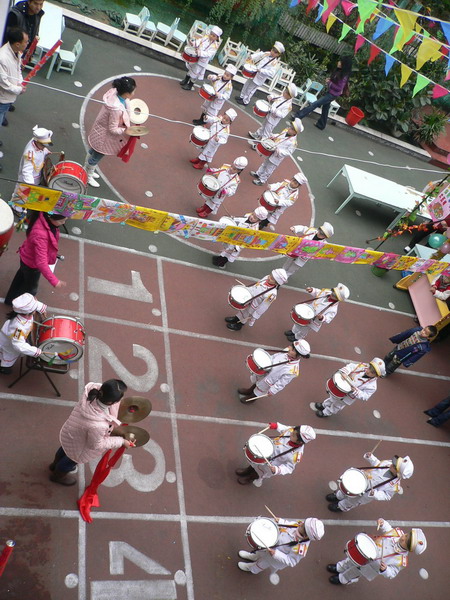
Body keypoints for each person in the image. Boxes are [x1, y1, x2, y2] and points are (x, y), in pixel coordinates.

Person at [49, 379, 133, 485]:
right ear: (110, 402)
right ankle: (57, 476)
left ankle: (54, 465)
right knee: (70, 461)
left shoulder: (90, 392)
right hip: (81, 447)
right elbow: (96, 445)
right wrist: (121, 441)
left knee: (65, 449)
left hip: (71, 433)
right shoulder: (99, 425)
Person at [327, 518, 427, 585]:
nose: (403, 538)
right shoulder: (396, 533)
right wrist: (383, 523)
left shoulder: (401, 560)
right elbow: (388, 529)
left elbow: (392, 573)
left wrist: (385, 570)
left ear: (409, 549)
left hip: (370, 567)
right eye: (406, 535)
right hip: (366, 553)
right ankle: (339, 567)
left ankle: (343, 579)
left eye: (406, 541)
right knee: (350, 560)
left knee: (354, 572)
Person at [4, 211, 67, 305]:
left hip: (27, 257)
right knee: (31, 289)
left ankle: (10, 299)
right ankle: (21, 308)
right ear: (51, 218)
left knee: (21, 277)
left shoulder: (43, 219)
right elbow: (41, 262)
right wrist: (54, 281)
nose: (63, 223)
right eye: (61, 221)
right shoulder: (41, 235)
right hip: (31, 264)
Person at [85, 76, 136, 188]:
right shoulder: (115, 109)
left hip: (100, 132)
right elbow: (113, 129)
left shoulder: (116, 96)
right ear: (126, 93)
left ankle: (87, 170)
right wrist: (126, 130)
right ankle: (87, 176)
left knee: (92, 151)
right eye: (132, 91)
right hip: (104, 138)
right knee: (95, 157)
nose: (133, 93)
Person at [327, 453, 414, 513]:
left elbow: (387, 496)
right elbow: (377, 464)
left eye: (394, 466)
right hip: (363, 479)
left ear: (398, 473)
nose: (391, 464)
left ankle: (341, 506)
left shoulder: (395, 486)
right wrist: (371, 457)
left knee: (352, 501)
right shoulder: (388, 463)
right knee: (348, 487)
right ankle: (338, 496)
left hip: (367, 493)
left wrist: (375, 494)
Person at [235, 422, 316, 486]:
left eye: (294, 435)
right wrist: (276, 426)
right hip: (266, 452)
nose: (291, 433)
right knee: (255, 463)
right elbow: (284, 428)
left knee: (259, 472)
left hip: (270, 465)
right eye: (293, 432)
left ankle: (250, 478)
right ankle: (247, 470)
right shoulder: (291, 431)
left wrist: (277, 470)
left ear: (300, 442)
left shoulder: (296, 455)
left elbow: (289, 468)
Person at [237, 516, 324, 574]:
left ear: (305, 535)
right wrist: (281, 521)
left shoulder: (300, 549)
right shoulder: (298, 525)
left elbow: (291, 561)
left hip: (274, 558)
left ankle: (251, 568)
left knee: (261, 564)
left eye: (302, 526)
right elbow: (289, 524)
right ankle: (252, 557)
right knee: (260, 552)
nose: (300, 523)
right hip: (272, 543)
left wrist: (276, 554)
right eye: (303, 523)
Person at [238, 339, 310, 403]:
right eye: (291, 346)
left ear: (298, 355)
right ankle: (249, 390)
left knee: (259, 390)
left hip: (269, 381)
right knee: (256, 382)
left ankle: (251, 398)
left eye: (293, 350)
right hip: (265, 371)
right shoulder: (286, 351)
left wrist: (273, 390)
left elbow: (282, 383)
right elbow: (274, 356)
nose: (289, 348)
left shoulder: (293, 370)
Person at [292, 56, 352, 131]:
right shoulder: (339, 72)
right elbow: (335, 82)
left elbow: (339, 88)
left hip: (332, 95)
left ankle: (297, 116)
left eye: (340, 62)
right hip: (330, 93)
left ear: (344, 64)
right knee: (325, 108)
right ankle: (321, 124)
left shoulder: (344, 76)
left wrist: (329, 83)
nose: (338, 62)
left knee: (315, 104)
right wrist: (330, 81)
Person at [315, 357, 385, 418]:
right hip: (342, 387)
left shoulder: (372, 386)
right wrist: (345, 373)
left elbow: (365, 396)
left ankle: (326, 412)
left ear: (376, 376)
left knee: (337, 405)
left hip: (347, 397)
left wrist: (356, 391)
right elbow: (350, 366)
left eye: (372, 372)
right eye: (369, 368)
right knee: (332, 398)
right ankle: (324, 405)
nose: (368, 371)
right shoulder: (362, 366)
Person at [0, 293, 48, 374]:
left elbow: (35, 304)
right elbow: (18, 344)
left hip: (13, 336)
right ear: (29, 312)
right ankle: (3, 368)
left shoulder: (25, 312)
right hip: (10, 343)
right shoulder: (18, 328)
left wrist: (42, 309)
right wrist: (35, 351)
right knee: (7, 355)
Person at [285, 283, 350, 341]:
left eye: (335, 295)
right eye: (333, 292)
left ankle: (297, 337)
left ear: (338, 299)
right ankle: (293, 331)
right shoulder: (327, 292)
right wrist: (312, 290)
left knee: (304, 330)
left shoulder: (333, 309)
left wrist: (322, 318)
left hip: (313, 320)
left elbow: (328, 319)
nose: (332, 294)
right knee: (298, 322)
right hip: (308, 312)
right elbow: (318, 293)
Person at [0, 28, 28, 160]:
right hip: (2, 99)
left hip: (7, 99)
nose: (27, 44)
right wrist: (18, 89)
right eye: (25, 42)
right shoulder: (2, 58)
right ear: (17, 44)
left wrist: (20, 83)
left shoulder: (16, 53)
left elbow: (18, 71)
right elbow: (4, 83)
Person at [250, 119, 303, 186]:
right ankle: (258, 173)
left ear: (295, 133)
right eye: (290, 127)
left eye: (292, 129)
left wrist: (279, 151)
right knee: (265, 163)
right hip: (272, 150)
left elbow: (288, 152)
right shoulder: (286, 131)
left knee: (269, 169)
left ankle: (262, 180)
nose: (289, 128)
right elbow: (279, 135)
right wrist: (274, 136)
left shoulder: (293, 143)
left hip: (277, 156)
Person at [236, 42, 285, 106]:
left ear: (278, 55)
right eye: (273, 50)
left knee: (250, 90)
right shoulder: (267, 53)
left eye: (275, 52)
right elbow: (259, 54)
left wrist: (261, 70)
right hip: (254, 73)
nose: (273, 52)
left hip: (259, 78)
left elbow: (271, 73)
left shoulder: (274, 63)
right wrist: (252, 57)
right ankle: (241, 97)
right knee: (246, 85)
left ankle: (245, 101)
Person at [180, 26, 222, 91]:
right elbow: (199, 41)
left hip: (202, 61)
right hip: (196, 57)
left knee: (195, 73)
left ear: (217, 38)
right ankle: (186, 80)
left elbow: (209, 54)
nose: (211, 36)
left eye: (213, 36)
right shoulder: (205, 37)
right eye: (211, 34)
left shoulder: (215, 46)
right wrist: (193, 43)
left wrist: (200, 52)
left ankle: (190, 85)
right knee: (191, 69)